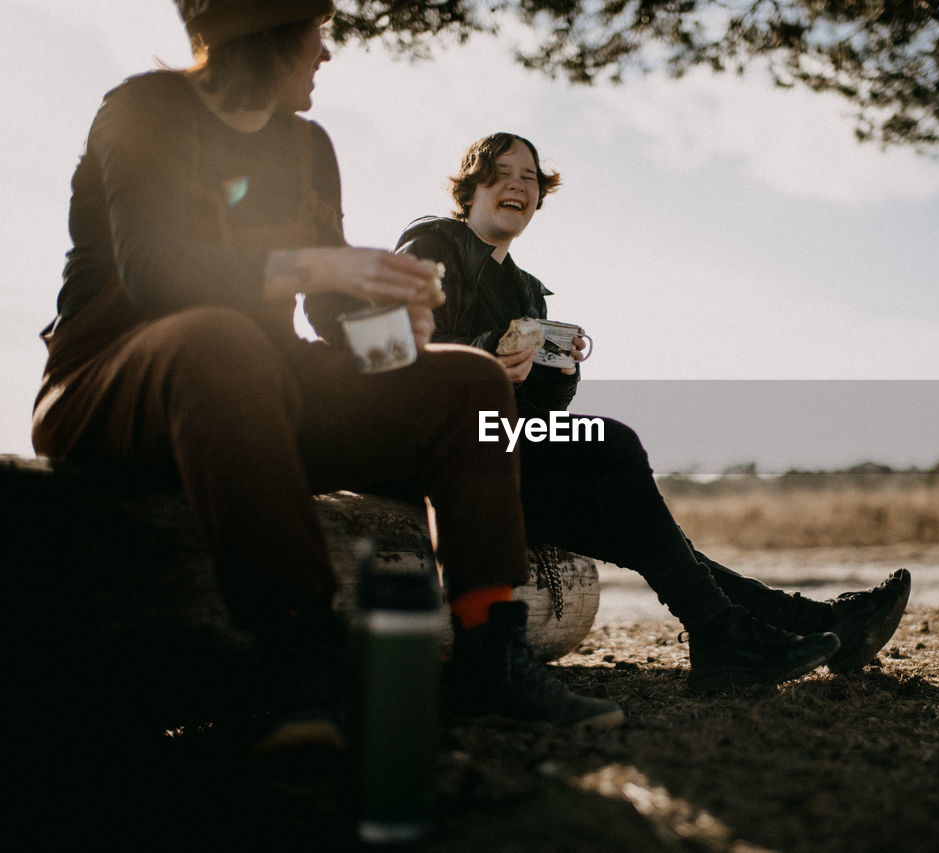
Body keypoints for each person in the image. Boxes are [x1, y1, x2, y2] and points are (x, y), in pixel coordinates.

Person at [32, 2, 622, 745]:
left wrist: (396, 336)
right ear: (264, 31)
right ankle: (301, 654)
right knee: (220, 341)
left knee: (466, 380)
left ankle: (487, 651)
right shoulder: (143, 109)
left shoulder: (307, 146)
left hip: (268, 382)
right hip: (112, 377)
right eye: (316, 32)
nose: (326, 54)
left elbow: (331, 310)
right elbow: (154, 273)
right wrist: (315, 262)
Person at [314, 132, 913, 692]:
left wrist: (560, 373)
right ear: (469, 190)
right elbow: (408, 354)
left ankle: (799, 625)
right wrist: (485, 355)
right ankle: (748, 632)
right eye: (499, 174)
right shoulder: (435, 243)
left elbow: (539, 407)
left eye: (529, 177)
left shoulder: (526, 290)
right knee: (612, 446)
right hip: (429, 444)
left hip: (498, 444)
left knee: (633, 527)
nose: (516, 185)